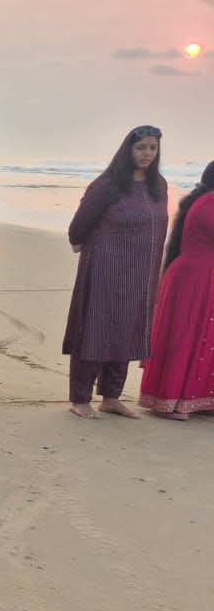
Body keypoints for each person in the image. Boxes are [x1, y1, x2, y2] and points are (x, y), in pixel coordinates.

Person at [62, 125, 170, 419]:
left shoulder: (157, 185)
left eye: (152, 148)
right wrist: (80, 243)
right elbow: (79, 225)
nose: (147, 153)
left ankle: (111, 397)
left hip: (141, 274)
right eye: (141, 148)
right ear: (128, 150)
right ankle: (80, 398)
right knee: (96, 328)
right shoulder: (108, 185)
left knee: (127, 328)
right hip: (105, 271)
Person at [139, 162, 214, 418]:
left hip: (201, 277)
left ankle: (200, 400)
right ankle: (172, 400)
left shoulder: (203, 200)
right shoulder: (207, 204)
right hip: (195, 279)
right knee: (186, 336)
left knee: (205, 338)